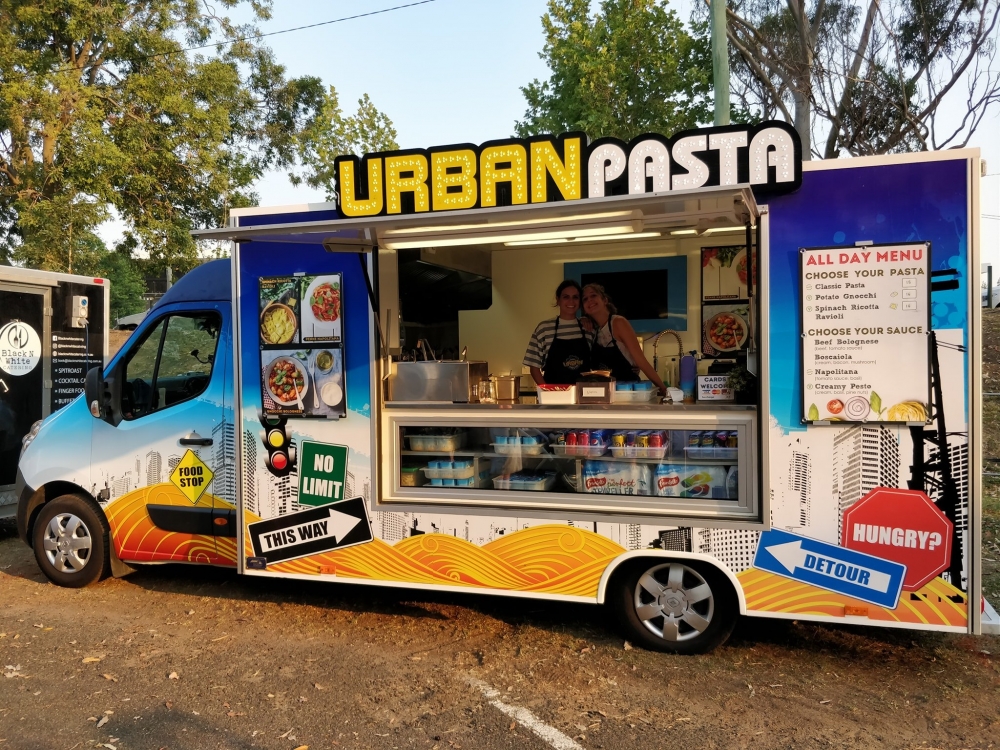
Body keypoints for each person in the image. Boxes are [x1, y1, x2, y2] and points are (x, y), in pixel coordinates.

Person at [581, 283, 667, 393]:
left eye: (593, 295)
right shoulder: (593, 329)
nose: (589, 300)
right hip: (604, 393)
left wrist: (663, 389)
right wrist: (582, 319)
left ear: (605, 300)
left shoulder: (618, 322)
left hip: (628, 392)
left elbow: (641, 361)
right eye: (585, 299)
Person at [523, 280, 593, 385]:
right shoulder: (544, 329)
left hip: (584, 393)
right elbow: (534, 368)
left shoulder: (588, 329)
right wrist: (547, 392)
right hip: (554, 394)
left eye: (575, 297)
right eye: (566, 297)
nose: (571, 301)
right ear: (558, 300)